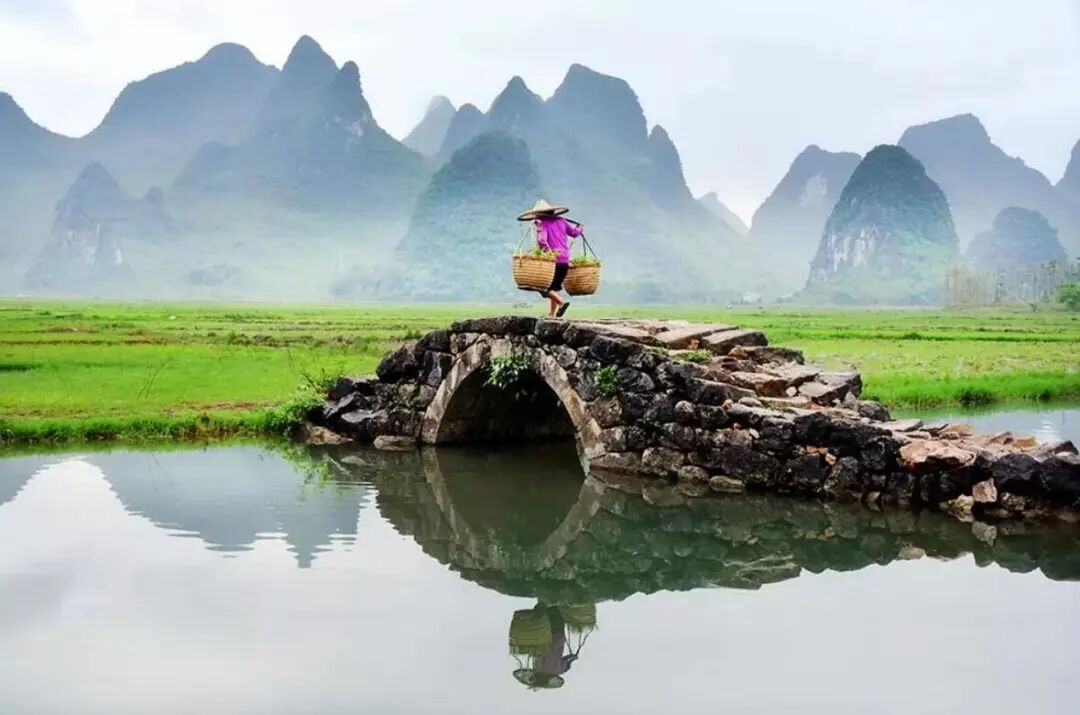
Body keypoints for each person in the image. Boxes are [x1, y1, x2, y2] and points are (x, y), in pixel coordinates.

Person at [518, 199, 583, 318]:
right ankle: (553, 314)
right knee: (554, 288)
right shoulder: (562, 221)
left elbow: (542, 241)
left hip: (553, 262)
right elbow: (574, 233)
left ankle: (561, 303)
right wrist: (580, 228)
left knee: (542, 287)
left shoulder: (544, 224)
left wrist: (548, 253)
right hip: (564, 260)